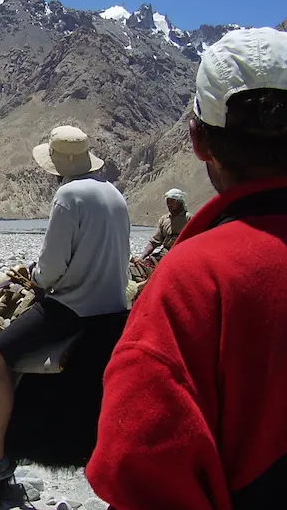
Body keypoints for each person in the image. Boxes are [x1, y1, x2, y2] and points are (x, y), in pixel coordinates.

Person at [85, 26, 287, 510]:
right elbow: (156, 239)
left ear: (198, 140)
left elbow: (139, 465)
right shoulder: (169, 234)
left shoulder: (193, 282)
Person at [0, 125, 131, 489]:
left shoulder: (68, 196)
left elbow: (50, 271)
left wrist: (36, 275)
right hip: (116, 309)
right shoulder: (115, 194)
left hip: (73, 309)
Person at [136, 187, 192, 262]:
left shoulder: (188, 218)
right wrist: (141, 258)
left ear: (179, 202)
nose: (169, 204)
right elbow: (154, 242)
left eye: (172, 201)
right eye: (167, 201)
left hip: (183, 255)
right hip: (165, 254)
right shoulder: (164, 220)